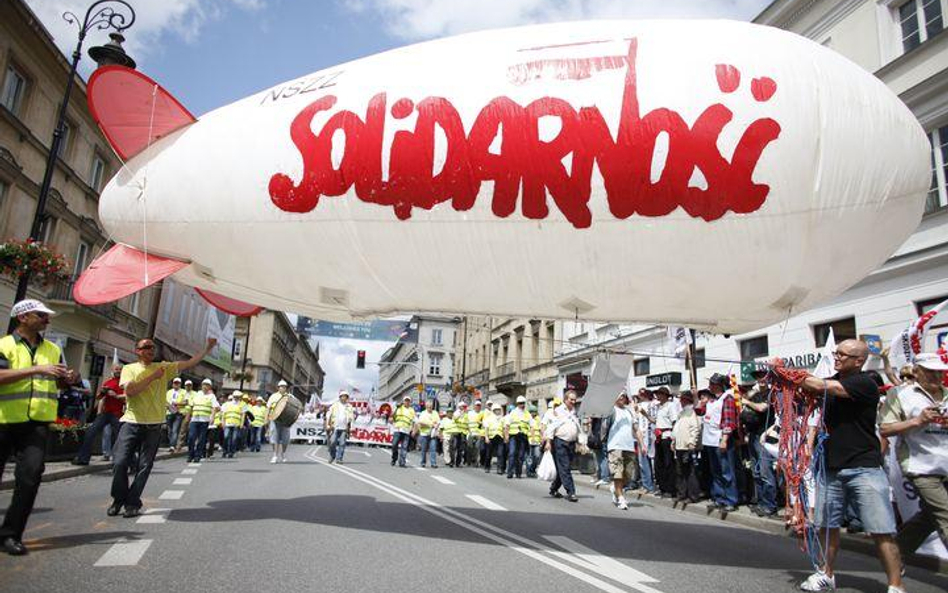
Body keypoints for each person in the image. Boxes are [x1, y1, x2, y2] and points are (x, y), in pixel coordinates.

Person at [795, 339, 905, 593]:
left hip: (863, 466)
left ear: (859, 360)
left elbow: (821, 385)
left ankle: (896, 586)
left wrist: (788, 372)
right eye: (836, 352)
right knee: (827, 525)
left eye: (843, 354)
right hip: (831, 467)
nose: (837, 357)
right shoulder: (832, 381)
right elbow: (813, 389)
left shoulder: (864, 382)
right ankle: (826, 574)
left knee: (881, 530)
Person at [0, 299, 79, 555]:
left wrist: (68, 379)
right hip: (4, 420)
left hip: (37, 424)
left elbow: (57, 383)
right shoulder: (4, 345)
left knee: (30, 478)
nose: (47, 319)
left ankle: (10, 535)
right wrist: (36, 369)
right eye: (41, 315)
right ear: (23, 317)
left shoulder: (53, 350)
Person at [109, 336, 215, 518]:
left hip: (154, 425)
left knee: (145, 465)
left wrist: (207, 349)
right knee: (119, 462)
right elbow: (130, 391)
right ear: (137, 351)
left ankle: (133, 502)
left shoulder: (163, 367)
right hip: (131, 422)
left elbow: (189, 363)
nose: (150, 350)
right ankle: (119, 498)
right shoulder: (129, 369)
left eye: (152, 347)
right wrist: (152, 377)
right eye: (146, 347)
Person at [879, 352, 948, 555]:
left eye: (940, 372)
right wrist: (918, 420)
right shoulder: (900, 394)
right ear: (916, 372)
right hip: (921, 467)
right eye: (930, 372)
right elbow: (885, 429)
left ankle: (895, 554)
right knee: (946, 515)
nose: (936, 377)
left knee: (929, 517)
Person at [700, 373, 740, 512]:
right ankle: (719, 497)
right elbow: (699, 411)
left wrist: (724, 439)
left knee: (726, 471)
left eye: (712, 384)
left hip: (720, 439)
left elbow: (729, 421)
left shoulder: (727, 398)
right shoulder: (712, 401)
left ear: (718, 385)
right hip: (710, 441)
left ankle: (730, 499)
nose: (709, 386)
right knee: (716, 471)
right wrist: (696, 398)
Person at [741, 372, 778, 517]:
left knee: (765, 471)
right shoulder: (755, 394)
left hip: (765, 436)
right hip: (753, 435)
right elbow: (744, 402)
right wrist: (751, 394)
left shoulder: (772, 394)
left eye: (764, 377)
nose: (761, 380)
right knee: (756, 472)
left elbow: (762, 408)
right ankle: (762, 503)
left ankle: (770, 505)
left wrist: (747, 402)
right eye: (758, 377)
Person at [73, 364, 125, 465]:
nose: (118, 371)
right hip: (105, 413)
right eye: (116, 369)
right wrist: (102, 392)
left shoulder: (124, 383)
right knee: (90, 433)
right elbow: (98, 397)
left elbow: (128, 398)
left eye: (120, 369)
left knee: (121, 438)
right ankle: (83, 458)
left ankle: (130, 462)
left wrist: (117, 396)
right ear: (112, 370)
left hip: (117, 414)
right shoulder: (108, 382)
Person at [603, 391, 639, 510]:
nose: (621, 398)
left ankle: (615, 489)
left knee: (628, 474)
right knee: (618, 473)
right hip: (615, 446)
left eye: (623, 396)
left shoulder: (629, 411)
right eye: (619, 396)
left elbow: (635, 428)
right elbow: (604, 428)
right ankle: (621, 498)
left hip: (628, 446)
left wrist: (642, 444)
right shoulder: (611, 411)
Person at [546, 390, 581, 502]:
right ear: (565, 400)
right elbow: (551, 427)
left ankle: (553, 488)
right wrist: (548, 442)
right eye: (571, 399)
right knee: (565, 467)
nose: (573, 401)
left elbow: (577, 427)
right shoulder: (558, 411)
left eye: (575, 399)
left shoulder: (574, 412)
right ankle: (571, 492)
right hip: (560, 442)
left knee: (564, 468)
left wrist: (580, 442)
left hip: (571, 443)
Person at [672, 390, 702, 503]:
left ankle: (693, 495)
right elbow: (676, 429)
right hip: (679, 446)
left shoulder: (692, 413)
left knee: (690, 472)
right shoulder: (681, 413)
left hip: (687, 446)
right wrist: (673, 440)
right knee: (680, 472)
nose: (681, 401)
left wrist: (692, 442)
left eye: (683, 399)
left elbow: (695, 429)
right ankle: (682, 493)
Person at [653, 387, 680, 498]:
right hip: (659, 436)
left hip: (667, 435)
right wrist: (645, 414)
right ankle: (662, 487)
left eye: (660, 394)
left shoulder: (671, 406)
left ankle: (670, 488)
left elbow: (674, 422)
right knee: (659, 464)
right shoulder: (659, 407)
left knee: (669, 463)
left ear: (665, 395)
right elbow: (656, 421)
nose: (658, 396)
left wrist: (673, 438)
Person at [186, 379, 219, 462]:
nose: (205, 386)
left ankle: (198, 456)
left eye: (207, 385)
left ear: (210, 387)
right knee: (191, 437)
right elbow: (191, 406)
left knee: (201, 439)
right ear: (201, 385)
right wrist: (188, 417)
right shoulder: (197, 394)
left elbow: (215, 407)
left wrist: (212, 417)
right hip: (194, 419)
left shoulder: (212, 396)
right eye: (204, 384)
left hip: (204, 421)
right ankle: (190, 455)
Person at [266, 380, 292, 464]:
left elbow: (296, 408)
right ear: (278, 387)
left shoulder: (289, 396)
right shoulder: (273, 396)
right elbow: (268, 408)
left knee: (285, 439)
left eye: (284, 387)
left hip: (285, 421)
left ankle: (283, 454)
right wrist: (266, 419)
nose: (283, 388)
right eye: (281, 386)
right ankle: (275, 455)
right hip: (275, 419)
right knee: (274, 438)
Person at [505, 395, 531, 479]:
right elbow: (507, 425)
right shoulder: (513, 412)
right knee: (512, 453)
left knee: (521, 455)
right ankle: (510, 472)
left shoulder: (527, 413)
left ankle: (518, 472)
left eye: (523, 403)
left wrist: (532, 436)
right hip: (513, 435)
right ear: (517, 404)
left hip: (523, 436)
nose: (522, 405)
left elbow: (532, 424)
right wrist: (506, 436)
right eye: (520, 403)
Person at [326, 390, 355, 464]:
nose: (344, 398)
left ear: (347, 398)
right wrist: (328, 425)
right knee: (332, 442)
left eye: (345, 396)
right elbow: (328, 415)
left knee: (342, 443)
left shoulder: (349, 407)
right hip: (335, 426)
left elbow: (351, 418)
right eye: (342, 396)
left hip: (344, 427)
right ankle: (333, 455)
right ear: (340, 397)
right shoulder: (335, 405)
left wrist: (351, 427)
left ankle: (339, 458)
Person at [390, 396, 415, 467]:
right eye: (405, 401)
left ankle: (402, 462)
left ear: (410, 402)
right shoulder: (398, 408)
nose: (407, 402)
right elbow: (391, 416)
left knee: (404, 447)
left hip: (406, 431)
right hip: (398, 429)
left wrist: (413, 430)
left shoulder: (411, 410)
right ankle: (394, 458)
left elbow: (414, 421)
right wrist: (391, 419)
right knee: (394, 445)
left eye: (408, 401)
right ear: (403, 401)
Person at [165, 377, 188, 453]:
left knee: (175, 430)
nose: (176, 385)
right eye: (175, 383)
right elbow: (165, 401)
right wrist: (169, 406)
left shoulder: (184, 392)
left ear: (180, 384)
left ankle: (172, 446)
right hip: (169, 412)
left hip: (178, 413)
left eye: (178, 383)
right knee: (169, 430)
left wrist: (176, 404)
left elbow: (185, 402)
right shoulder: (169, 392)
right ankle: (171, 443)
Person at [416, 399, 440, 468]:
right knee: (424, 449)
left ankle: (433, 463)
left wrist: (436, 425)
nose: (430, 408)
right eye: (428, 407)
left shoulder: (435, 413)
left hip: (432, 434)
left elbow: (438, 422)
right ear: (426, 407)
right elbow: (421, 423)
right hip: (424, 434)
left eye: (431, 406)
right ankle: (423, 462)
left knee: (433, 449)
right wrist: (431, 424)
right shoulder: (423, 413)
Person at [483, 403, 506, 473]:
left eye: (499, 410)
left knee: (500, 453)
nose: (498, 411)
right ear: (493, 410)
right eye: (496, 410)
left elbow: (504, 429)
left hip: (500, 437)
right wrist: (486, 437)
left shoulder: (502, 419)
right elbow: (486, 429)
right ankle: (487, 467)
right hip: (491, 438)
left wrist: (505, 437)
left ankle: (499, 468)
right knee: (489, 454)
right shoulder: (489, 419)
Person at [221, 392, 244, 459]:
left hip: (236, 424)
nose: (236, 398)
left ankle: (231, 452)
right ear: (233, 396)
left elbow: (243, 415)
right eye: (235, 396)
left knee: (234, 439)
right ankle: (225, 451)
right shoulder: (227, 404)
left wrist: (241, 424)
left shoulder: (241, 405)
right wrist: (223, 422)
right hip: (227, 423)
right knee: (226, 437)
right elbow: (223, 414)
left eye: (238, 396)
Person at [525, 406, 543, 478]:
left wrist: (541, 439)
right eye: (531, 412)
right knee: (529, 457)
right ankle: (529, 471)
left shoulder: (538, 419)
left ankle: (532, 469)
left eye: (534, 412)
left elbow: (541, 430)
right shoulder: (526, 419)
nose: (533, 413)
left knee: (537, 456)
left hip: (537, 441)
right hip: (528, 441)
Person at [467, 400, 485, 468]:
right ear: (474, 406)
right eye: (477, 405)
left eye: (479, 405)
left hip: (479, 433)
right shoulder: (470, 413)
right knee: (470, 447)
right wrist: (469, 431)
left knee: (478, 447)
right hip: (471, 432)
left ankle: (476, 461)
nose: (478, 407)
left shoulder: (483, 414)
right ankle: (470, 460)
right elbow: (467, 423)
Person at [453, 401, 469, 466]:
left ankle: (458, 462)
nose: (464, 407)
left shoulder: (466, 414)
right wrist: (460, 414)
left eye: (464, 406)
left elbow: (468, 423)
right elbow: (454, 419)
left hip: (464, 433)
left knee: (461, 448)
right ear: (459, 407)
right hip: (456, 432)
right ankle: (452, 460)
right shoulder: (456, 413)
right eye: (462, 406)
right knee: (454, 447)